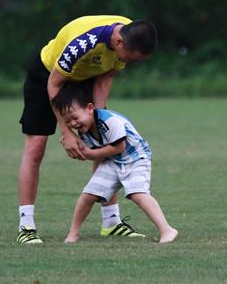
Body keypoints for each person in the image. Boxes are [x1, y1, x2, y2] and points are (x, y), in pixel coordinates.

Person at [17, 15, 157, 244]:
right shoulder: (85, 43)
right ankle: (26, 226)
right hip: (48, 74)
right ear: (119, 43)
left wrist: (100, 120)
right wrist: (67, 132)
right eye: (130, 59)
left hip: (85, 77)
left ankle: (111, 223)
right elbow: (54, 84)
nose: (129, 63)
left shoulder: (130, 34)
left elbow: (106, 76)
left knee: (105, 142)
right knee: (36, 145)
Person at [50, 84, 178, 243]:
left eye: (75, 118)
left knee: (137, 193)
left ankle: (167, 230)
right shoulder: (84, 129)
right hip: (113, 161)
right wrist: (75, 146)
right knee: (88, 195)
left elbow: (119, 147)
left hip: (136, 158)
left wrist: (89, 154)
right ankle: (73, 233)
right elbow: (93, 150)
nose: (73, 124)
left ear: (90, 108)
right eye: (68, 121)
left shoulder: (109, 121)